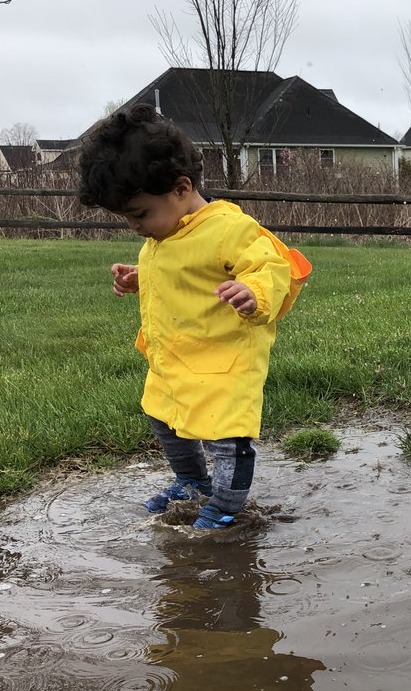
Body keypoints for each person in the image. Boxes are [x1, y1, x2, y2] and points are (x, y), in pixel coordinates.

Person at [78, 104, 311, 529]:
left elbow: (269, 266)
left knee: (226, 437)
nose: (134, 227)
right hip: (174, 357)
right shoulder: (164, 231)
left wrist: (252, 291)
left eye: (139, 214)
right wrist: (139, 279)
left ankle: (225, 505)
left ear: (182, 188)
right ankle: (191, 481)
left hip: (224, 361)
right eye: (127, 218)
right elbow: (178, 275)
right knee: (163, 417)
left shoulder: (229, 229)